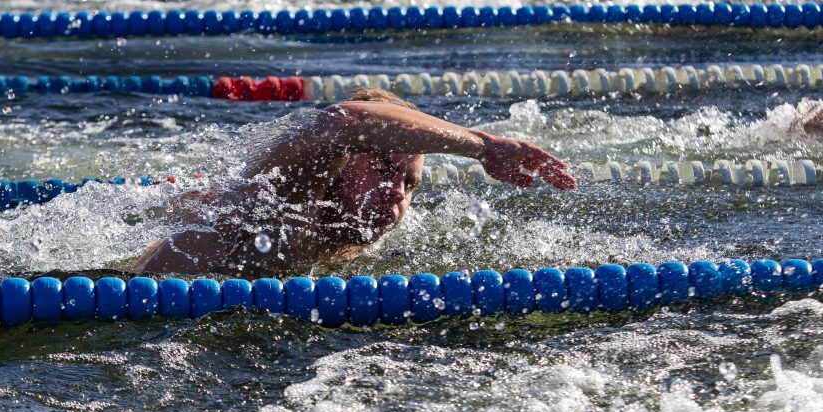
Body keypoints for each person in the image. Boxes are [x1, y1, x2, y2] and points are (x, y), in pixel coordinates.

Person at [136, 88, 577, 276]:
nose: (399, 192)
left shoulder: (357, 243)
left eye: (411, 183)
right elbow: (345, 121)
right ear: (338, 163)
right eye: (385, 169)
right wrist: (482, 146)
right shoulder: (288, 197)